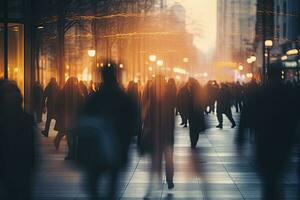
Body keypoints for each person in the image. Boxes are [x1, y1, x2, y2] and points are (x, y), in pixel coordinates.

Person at [76, 63, 137, 200]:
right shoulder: (124, 99)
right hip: (117, 147)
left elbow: (83, 122)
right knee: (112, 183)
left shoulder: (94, 98)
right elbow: (132, 125)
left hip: (96, 148)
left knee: (93, 182)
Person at [237, 66, 299, 200]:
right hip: (284, 141)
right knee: (276, 174)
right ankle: (274, 192)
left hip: (264, 140)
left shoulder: (259, 92)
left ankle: (271, 193)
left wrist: (240, 139)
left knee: (268, 176)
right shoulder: (289, 92)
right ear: (281, 75)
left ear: (267, 75)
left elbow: (245, 115)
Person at [0, 80, 36, 200]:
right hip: (22, 166)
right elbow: (30, 146)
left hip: (6, 165)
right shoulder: (27, 120)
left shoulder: (3, 120)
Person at [141, 75, 176, 197]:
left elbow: (146, 118)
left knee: (165, 160)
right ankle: (162, 180)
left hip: (162, 135)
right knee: (162, 160)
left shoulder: (159, 99)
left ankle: (167, 179)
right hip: (161, 135)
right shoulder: (160, 99)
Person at [55, 77, 84, 160]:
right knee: (74, 136)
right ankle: (74, 153)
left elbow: (58, 103)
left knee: (70, 135)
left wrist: (59, 113)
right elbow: (82, 104)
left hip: (67, 116)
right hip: (75, 117)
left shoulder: (64, 91)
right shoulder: (78, 92)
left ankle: (71, 153)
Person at [186, 78, 206, 148]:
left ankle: (193, 141)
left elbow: (190, 102)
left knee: (192, 128)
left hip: (193, 112)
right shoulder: (198, 90)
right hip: (196, 112)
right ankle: (194, 141)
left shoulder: (191, 90)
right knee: (195, 128)